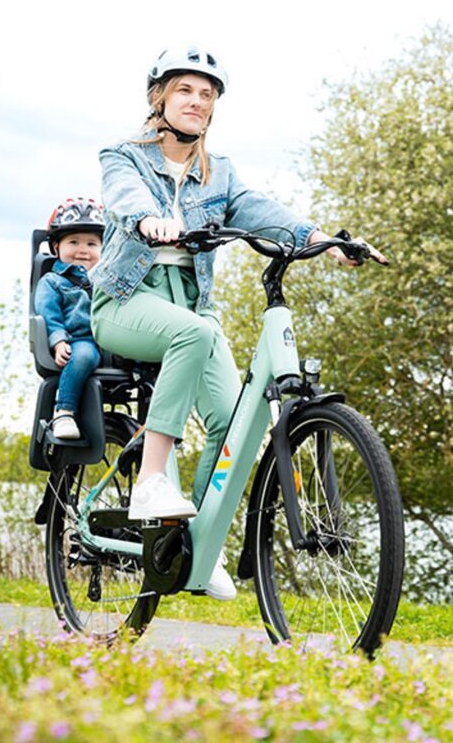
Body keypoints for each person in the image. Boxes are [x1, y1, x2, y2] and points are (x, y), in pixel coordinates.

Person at [90, 45, 386, 600]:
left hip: (190, 307)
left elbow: (261, 210)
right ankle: (151, 481)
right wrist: (151, 221)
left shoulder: (218, 173)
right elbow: (124, 198)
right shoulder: (122, 155)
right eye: (185, 90)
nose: (197, 101)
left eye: (207, 94)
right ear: (160, 98)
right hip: (126, 302)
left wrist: (325, 242)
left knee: (235, 423)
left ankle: (193, 546)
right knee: (196, 332)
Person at [35, 198, 104, 440]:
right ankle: (64, 411)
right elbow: (48, 313)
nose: (83, 249)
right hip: (80, 340)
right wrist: (58, 340)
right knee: (82, 355)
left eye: (91, 243)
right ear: (56, 248)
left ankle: (159, 424)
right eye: (73, 242)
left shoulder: (109, 280)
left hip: (114, 339)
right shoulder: (53, 282)